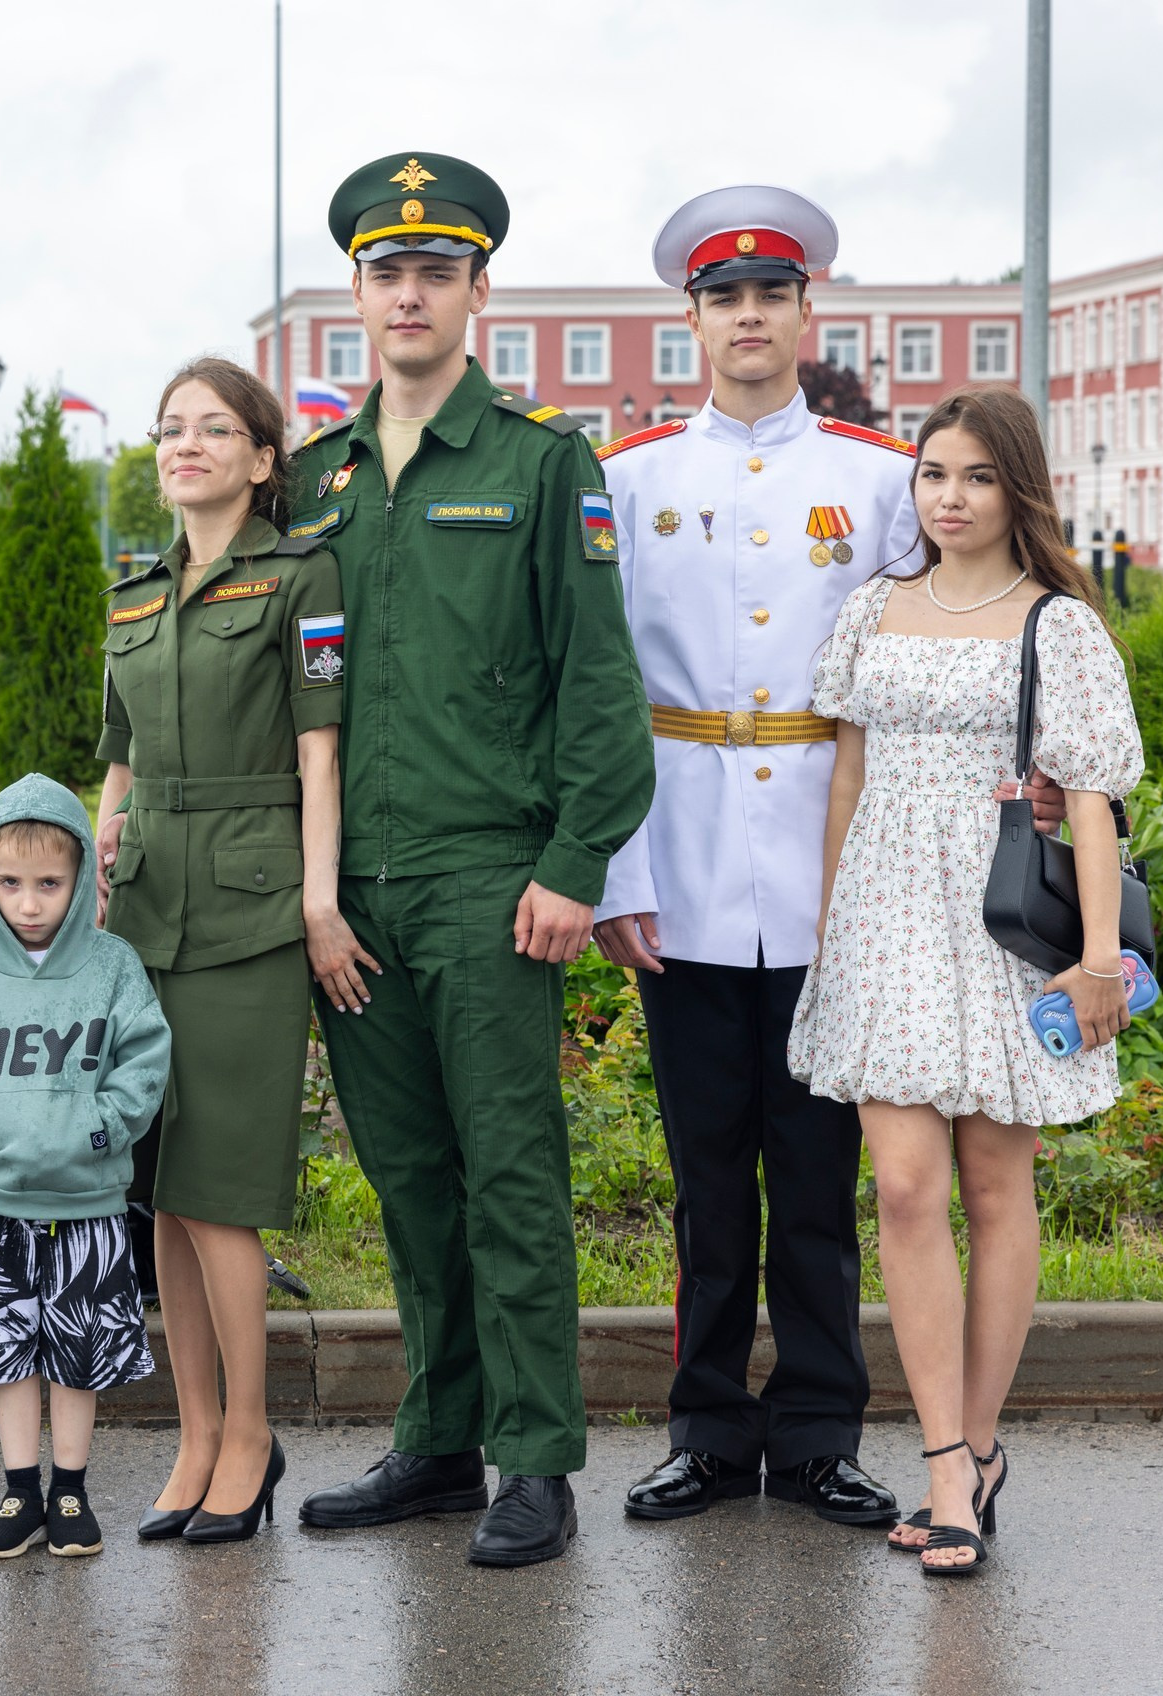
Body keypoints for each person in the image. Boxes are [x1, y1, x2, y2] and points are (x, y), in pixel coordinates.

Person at [287, 154, 655, 1568]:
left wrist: (574, 863)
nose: (412, 293)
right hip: (355, 891)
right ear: (360, 295)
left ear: (477, 291)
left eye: (438, 270)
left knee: (509, 1174)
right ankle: (439, 1440)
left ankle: (537, 1457)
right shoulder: (315, 480)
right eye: (390, 272)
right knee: (409, 1175)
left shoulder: (544, 465)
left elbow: (600, 691)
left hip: (492, 885)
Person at [592, 186, 921, 1529]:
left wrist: (892, 884)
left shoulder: (881, 477)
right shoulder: (628, 479)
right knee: (708, 1175)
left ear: (805, 311)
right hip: (680, 858)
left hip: (827, 876)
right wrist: (619, 875)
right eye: (722, 298)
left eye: (769, 296)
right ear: (692, 319)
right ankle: (711, 1429)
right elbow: (597, 692)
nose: (747, 317)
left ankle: (821, 1432)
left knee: (821, 1178)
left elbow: (905, 679)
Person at [789, 384, 1144, 1577]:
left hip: (1003, 924)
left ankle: (979, 1448)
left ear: (1017, 489)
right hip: (885, 916)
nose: (949, 497)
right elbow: (844, 779)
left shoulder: (1059, 626)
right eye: (932, 474)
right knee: (901, 1187)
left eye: (976, 476)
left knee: (995, 1187)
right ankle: (942, 1458)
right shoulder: (873, 608)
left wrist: (1099, 959)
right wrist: (832, 921)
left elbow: (1087, 800)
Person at [90, 356, 353, 1544]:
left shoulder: (304, 577)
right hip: (145, 910)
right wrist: (102, 854)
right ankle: (194, 1433)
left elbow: (318, 751)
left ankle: (250, 1432)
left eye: (209, 430)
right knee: (162, 1193)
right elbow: (119, 756)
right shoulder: (134, 594)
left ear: (260, 457)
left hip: (252, 906)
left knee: (224, 1193)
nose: (182, 446)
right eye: (167, 430)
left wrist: (317, 903)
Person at [0, 776, 173, 1558]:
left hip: (89, 1204)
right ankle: (19, 1490)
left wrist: (100, 1130)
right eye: (11, 884)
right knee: (8, 1352)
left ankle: (70, 1490)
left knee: (76, 1351)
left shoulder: (112, 967)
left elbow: (145, 1060)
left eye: (51, 885)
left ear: (82, 880)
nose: (30, 904)